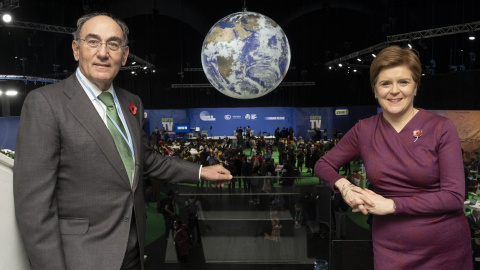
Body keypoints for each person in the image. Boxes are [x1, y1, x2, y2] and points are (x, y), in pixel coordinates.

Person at [13, 12, 231, 270]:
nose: (103, 53)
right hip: (81, 259)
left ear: (124, 55)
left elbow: (144, 160)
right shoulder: (45, 103)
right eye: (93, 42)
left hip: (134, 253)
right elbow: (34, 209)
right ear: (76, 48)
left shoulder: (131, 103)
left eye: (113, 44)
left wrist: (199, 170)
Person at [315, 45, 472, 269]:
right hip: (391, 247)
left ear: (416, 87)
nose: (394, 90)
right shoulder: (364, 129)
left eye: (403, 82)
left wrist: (392, 204)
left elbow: (454, 196)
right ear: (375, 90)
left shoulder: (441, 127)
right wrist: (345, 187)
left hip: (444, 248)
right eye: (385, 83)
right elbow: (323, 164)